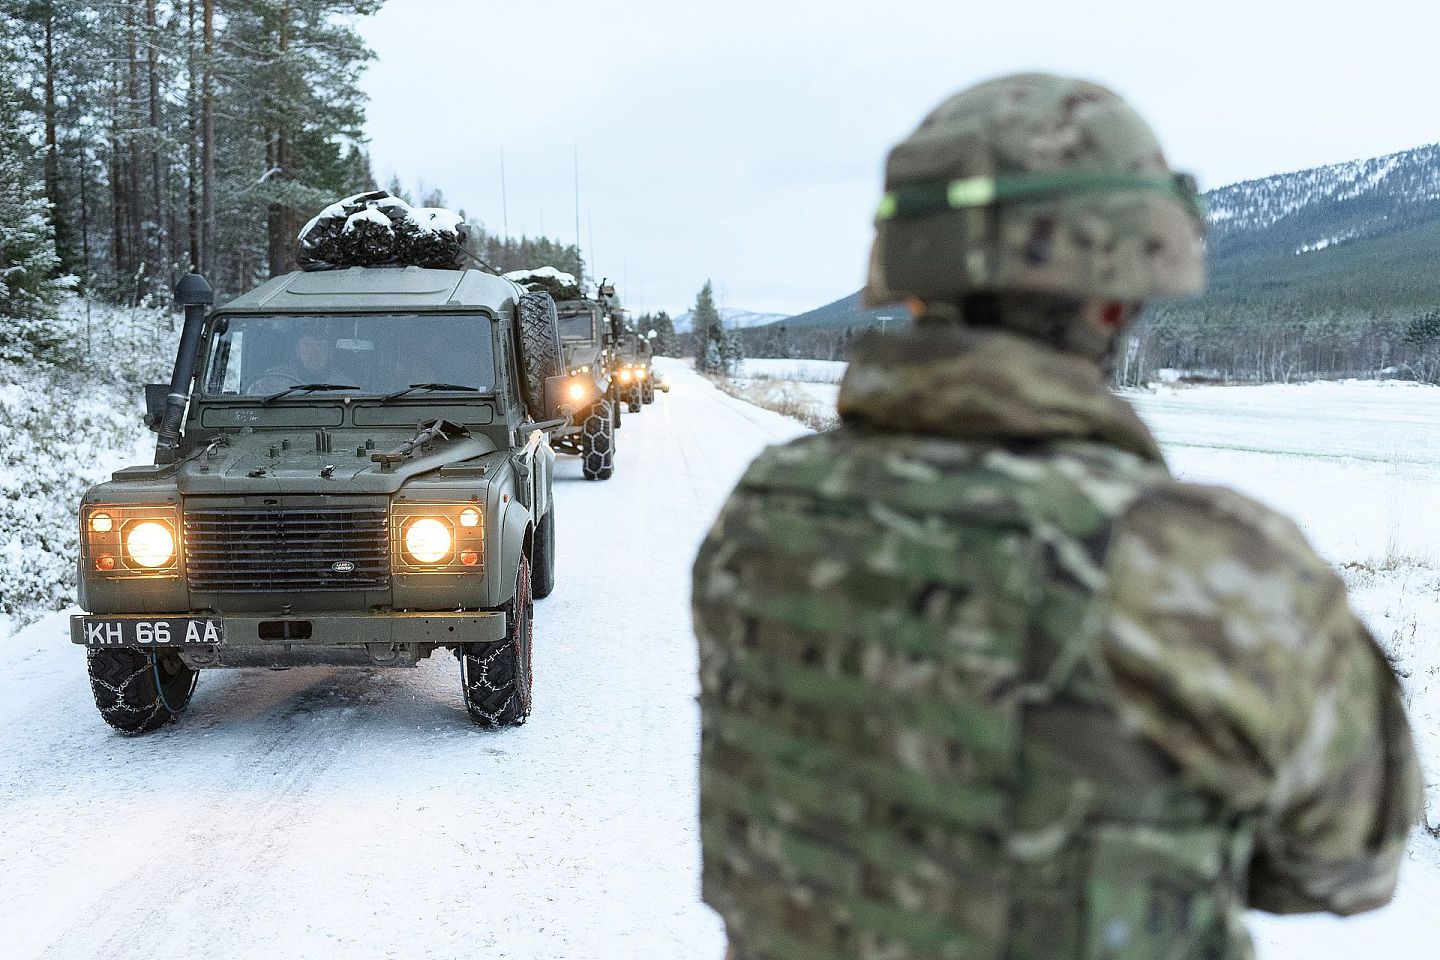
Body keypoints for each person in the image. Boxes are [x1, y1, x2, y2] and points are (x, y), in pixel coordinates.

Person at [691, 72, 1421, 960]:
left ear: (911, 276)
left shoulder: (765, 509)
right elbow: (1349, 866)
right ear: (1116, 297)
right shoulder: (1201, 560)